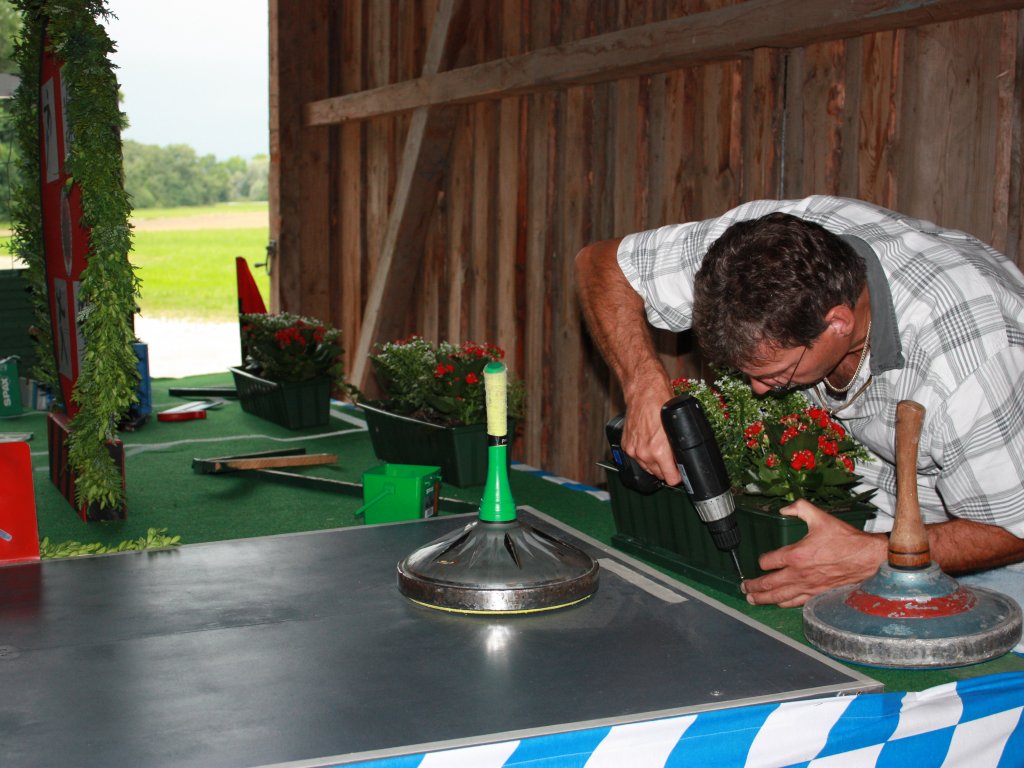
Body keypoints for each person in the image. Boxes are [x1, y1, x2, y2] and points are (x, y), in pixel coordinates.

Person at [575, 195, 1024, 608]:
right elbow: (601, 264)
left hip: (992, 549)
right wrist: (644, 386)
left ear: (838, 323)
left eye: (775, 374)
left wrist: (870, 557)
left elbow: (1014, 529)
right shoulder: (758, 253)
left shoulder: (969, 364)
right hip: (872, 511)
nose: (759, 391)